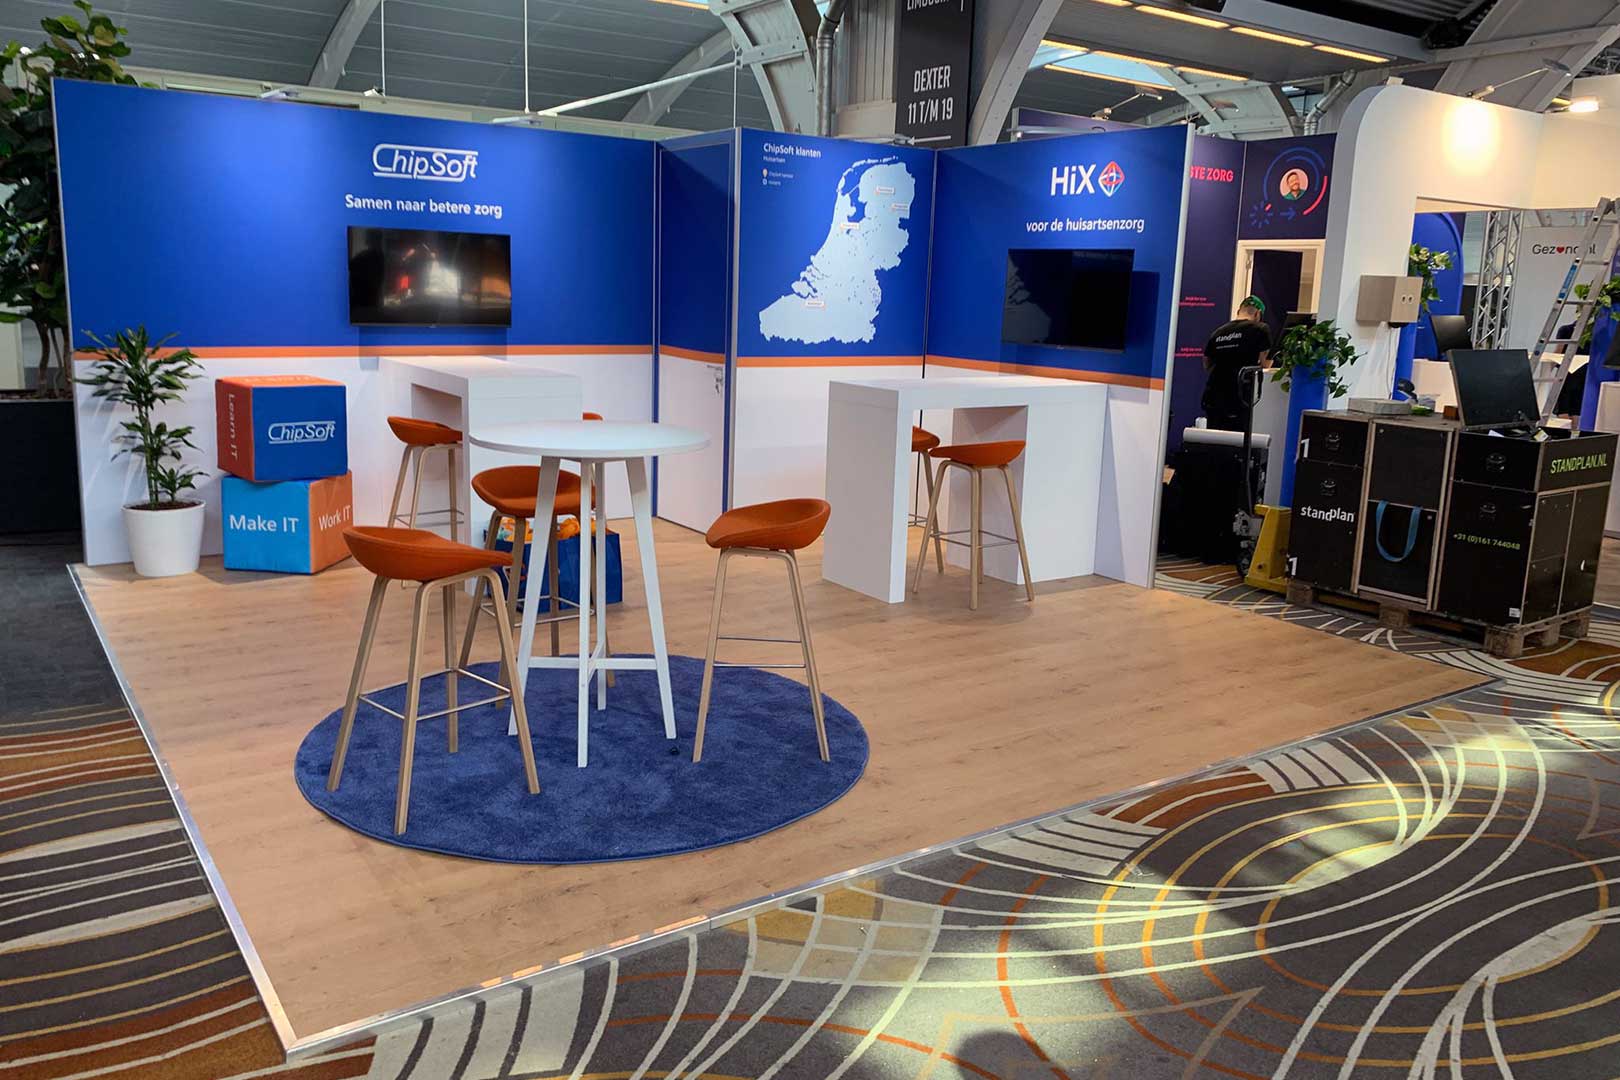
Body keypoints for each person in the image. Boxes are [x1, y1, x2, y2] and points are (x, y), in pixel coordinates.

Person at [1202, 296, 1273, 432]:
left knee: (1214, 440)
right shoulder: (1261, 328)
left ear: (1238, 311)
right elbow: (1266, 364)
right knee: (1237, 441)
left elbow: (1206, 364)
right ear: (1258, 314)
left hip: (1214, 397)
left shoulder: (1218, 332)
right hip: (1239, 398)